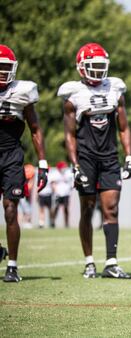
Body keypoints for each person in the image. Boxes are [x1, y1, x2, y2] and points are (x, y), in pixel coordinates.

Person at [59, 42, 131, 279]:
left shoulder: (115, 89)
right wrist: (76, 165)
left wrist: (129, 155)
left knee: (111, 209)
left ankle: (111, 262)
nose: (99, 70)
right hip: (87, 158)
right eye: (93, 66)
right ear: (81, 68)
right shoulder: (73, 95)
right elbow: (69, 135)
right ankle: (89, 261)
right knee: (87, 209)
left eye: (102, 66)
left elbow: (124, 128)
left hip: (110, 157)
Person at [0, 45, 48, 282]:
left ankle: (12, 265)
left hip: (11, 155)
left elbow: (35, 129)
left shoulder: (23, 92)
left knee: (11, 209)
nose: (1, 72)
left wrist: (43, 163)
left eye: (5, 68)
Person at [50, 161, 73, 228]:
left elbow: (71, 183)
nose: (64, 168)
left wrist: (69, 190)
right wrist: (56, 192)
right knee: (56, 208)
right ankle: (53, 221)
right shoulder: (55, 174)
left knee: (66, 208)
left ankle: (66, 223)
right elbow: (53, 183)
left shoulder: (68, 173)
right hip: (58, 194)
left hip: (66, 194)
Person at [19, 164, 36, 229]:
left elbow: (30, 187)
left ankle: (25, 223)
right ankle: (25, 223)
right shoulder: (24, 178)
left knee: (25, 209)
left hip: (25, 194)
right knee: (25, 210)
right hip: (24, 195)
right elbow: (29, 187)